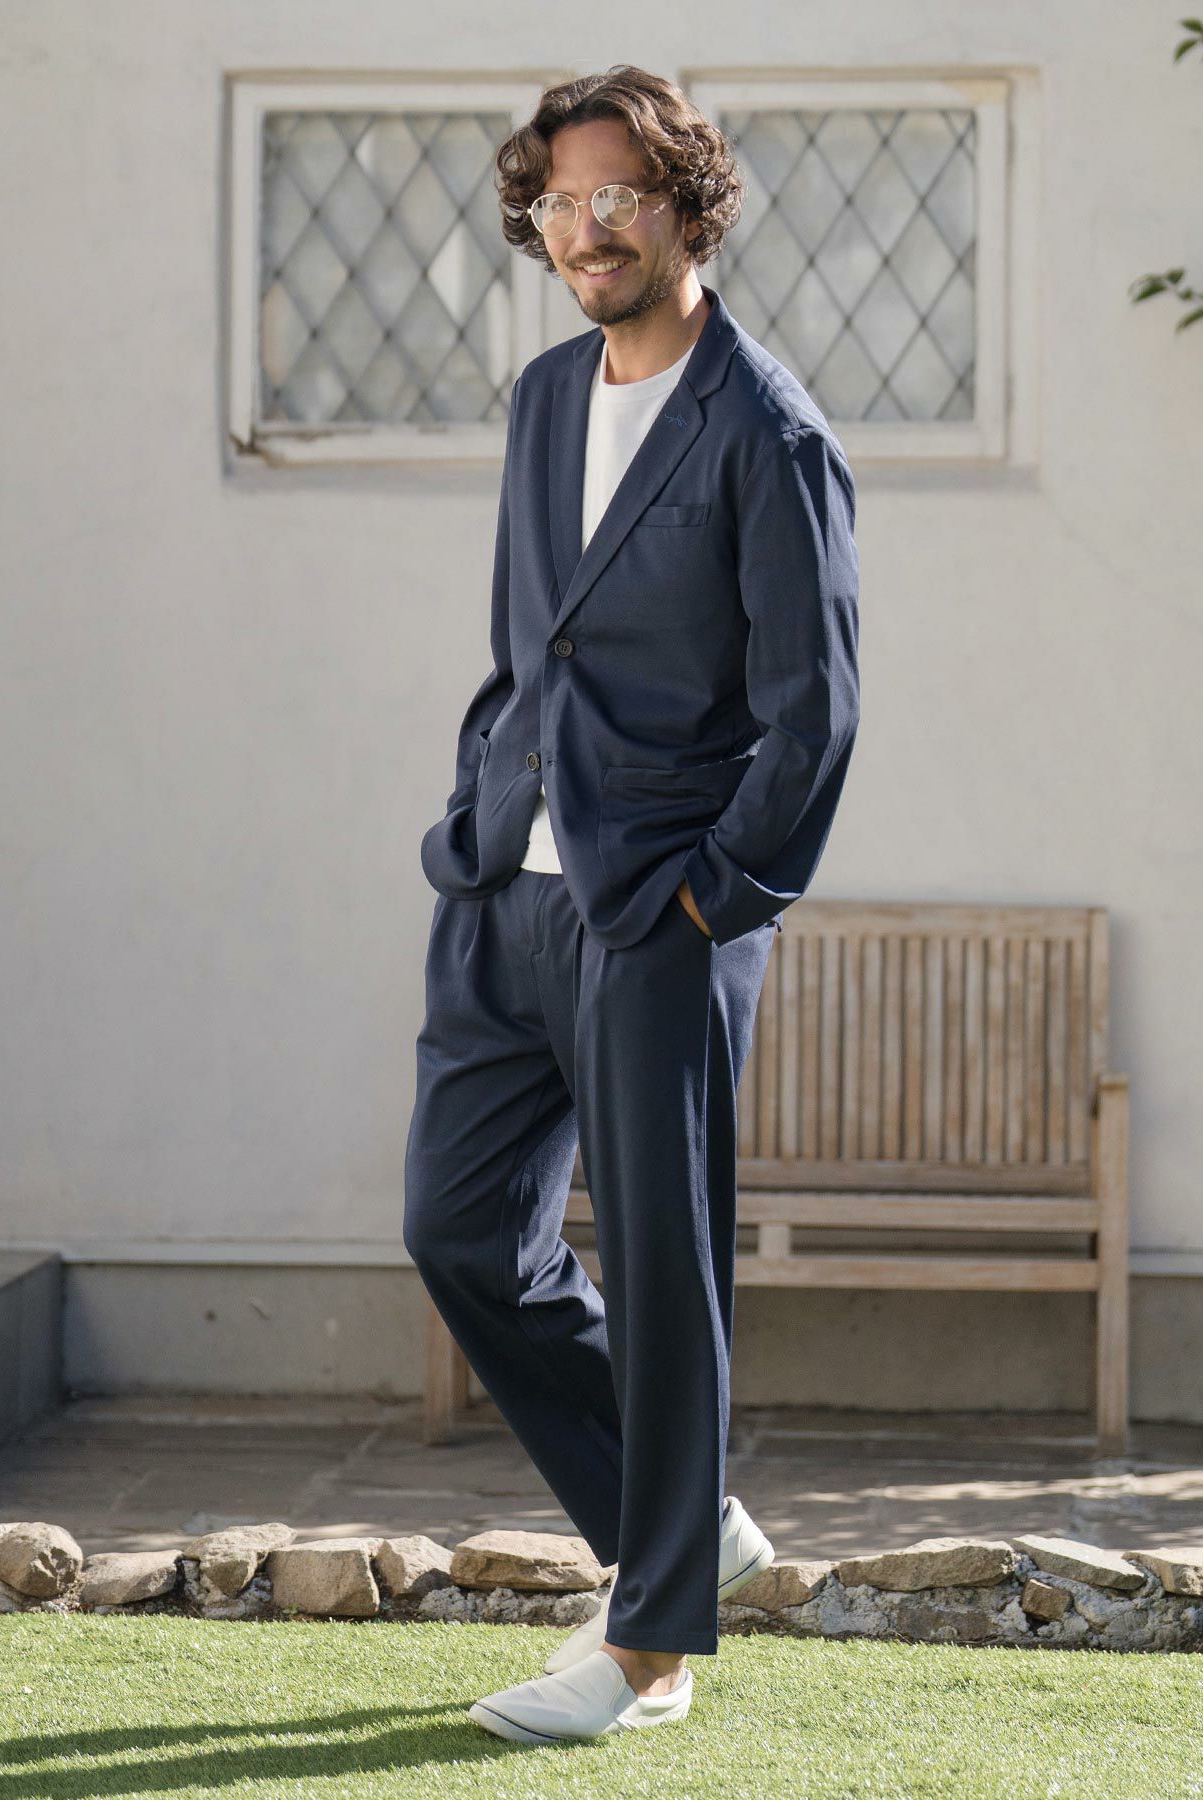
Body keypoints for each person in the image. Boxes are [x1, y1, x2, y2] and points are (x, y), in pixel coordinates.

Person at [403, 62, 860, 1744]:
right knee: (462, 1233)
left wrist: (713, 903)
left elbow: (814, 715)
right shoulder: (544, 398)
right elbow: (531, 643)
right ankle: (685, 1533)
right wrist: (477, 806)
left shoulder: (769, 432)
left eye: (618, 197)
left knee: (664, 1276)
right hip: (504, 895)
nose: (584, 228)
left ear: (688, 209)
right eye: (559, 201)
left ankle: (651, 1654)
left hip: (658, 915)